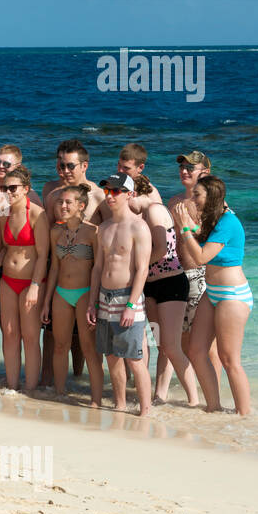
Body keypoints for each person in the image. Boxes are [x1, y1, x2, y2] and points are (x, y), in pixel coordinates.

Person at [173, 175, 253, 416]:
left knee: (229, 359)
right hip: (213, 291)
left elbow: (200, 257)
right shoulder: (215, 220)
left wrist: (184, 225)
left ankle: (244, 416)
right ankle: (214, 408)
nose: (193, 198)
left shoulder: (228, 222)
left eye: (198, 194)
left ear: (212, 197)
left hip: (232, 295)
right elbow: (200, 237)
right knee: (197, 351)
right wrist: (187, 225)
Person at [86, 173, 153, 416]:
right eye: (107, 191)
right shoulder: (103, 228)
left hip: (128, 298)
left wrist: (132, 305)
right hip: (105, 298)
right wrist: (92, 303)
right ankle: (120, 404)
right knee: (112, 356)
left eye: (116, 191)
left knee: (134, 359)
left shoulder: (139, 226)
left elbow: (142, 269)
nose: (110, 196)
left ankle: (145, 410)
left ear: (129, 194)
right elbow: (97, 268)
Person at [135, 175, 199, 405]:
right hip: (151, 286)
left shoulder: (153, 210)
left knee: (172, 346)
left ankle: (193, 400)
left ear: (133, 194)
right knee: (161, 344)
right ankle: (159, 395)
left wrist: (137, 268)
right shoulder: (139, 214)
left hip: (171, 284)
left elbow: (161, 249)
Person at [42, 185, 103, 406]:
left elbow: (98, 268)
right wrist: (46, 302)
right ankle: (59, 394)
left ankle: (96, 400)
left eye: (68, 202)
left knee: (89, 347)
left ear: (81, 205)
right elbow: (54, 269)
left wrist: (95, 302)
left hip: (85, 293)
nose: (63, 206)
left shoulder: (94, 232)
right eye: (60, 202)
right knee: (60, 345)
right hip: (61, 293)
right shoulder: (55, 232)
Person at [0, 165, 50, 391]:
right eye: (4, 187)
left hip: (31, 282)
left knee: (30, 336)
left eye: (13, 188)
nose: (8, 192)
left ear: (25, 189)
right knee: (9, 333)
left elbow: (43, 254)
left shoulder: (37, 213)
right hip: (7, 279)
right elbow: (2, 248)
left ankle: (30, 388)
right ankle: (11, 385)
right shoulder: (2, 212)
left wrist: (36, 286)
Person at [168, 150, 221, 385]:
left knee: (208, 344)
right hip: (178, 276)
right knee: (182, 341)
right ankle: (190, 392)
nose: (184, 171)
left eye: (190, 168)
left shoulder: (212, 206)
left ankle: (214, 391)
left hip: (202, 275)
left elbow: (217, 243)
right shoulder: (174, 201)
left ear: (205, 173)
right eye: (182, 167)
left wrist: (189, 226)